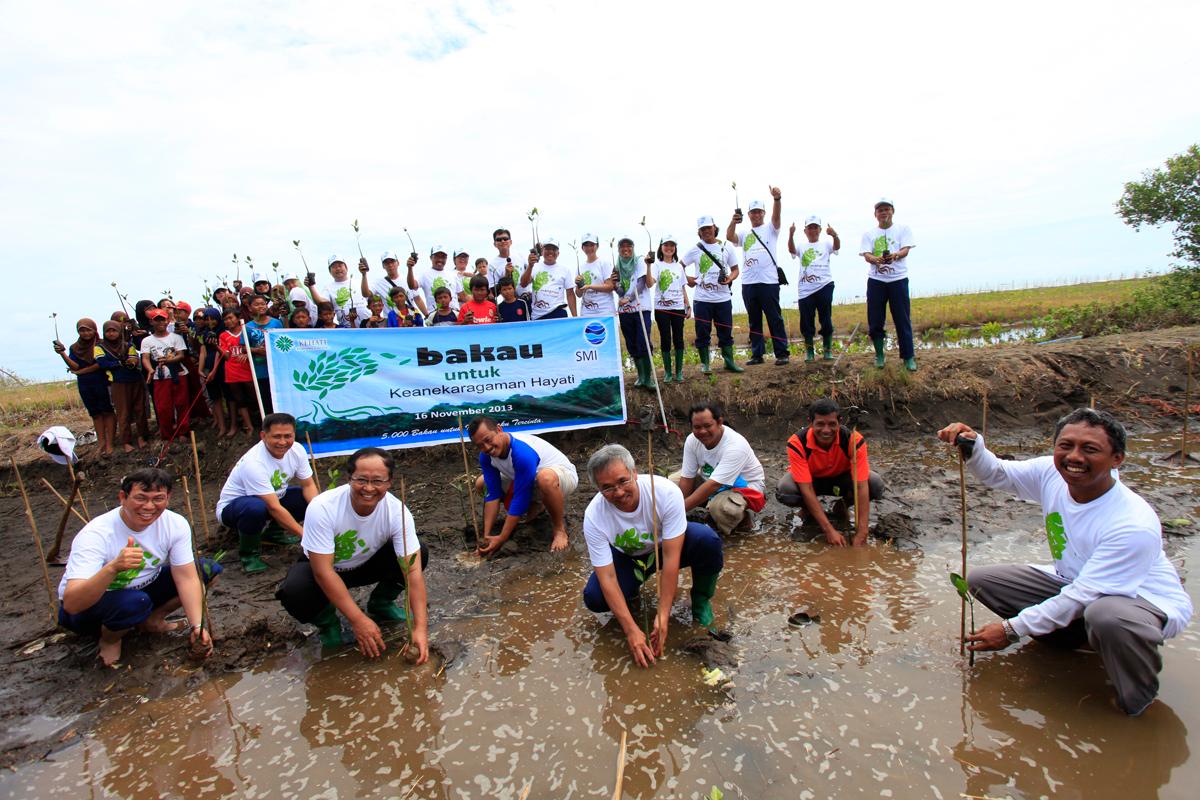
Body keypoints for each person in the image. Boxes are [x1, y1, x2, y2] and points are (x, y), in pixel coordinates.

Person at [937, 408, 1193, 716]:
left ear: (1117, 460)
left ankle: (1137, 703)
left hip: (1139, 600)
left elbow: (1086, 595)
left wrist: (1010, 629)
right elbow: (999, 474)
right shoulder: (1051, 473)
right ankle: (1073, 641)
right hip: (1074, 581)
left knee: (1106, 615)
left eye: (1090, 449)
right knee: (981, 582)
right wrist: (974, 446)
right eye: (1066, 445)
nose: (1074, 457)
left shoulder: (1132, 523)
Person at [276, 447, 430, 661]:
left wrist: (420, 628)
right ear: (349, 478)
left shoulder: (397, 512)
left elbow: (412, 572)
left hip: (366, 563)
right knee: (294, 591)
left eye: (377, 481)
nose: (368, 488)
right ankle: (329, 623)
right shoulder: (323, 507)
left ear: (389, 482)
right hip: (327, 569)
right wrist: (357, 620)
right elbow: (323, 572)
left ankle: (381, 603)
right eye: (361, 480)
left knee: (418, 552)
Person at [581, 444, 725, 666]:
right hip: (629, 557)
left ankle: (701, 602)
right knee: (595, 597)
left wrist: (664, 614)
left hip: (664, 547)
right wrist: (631, 630)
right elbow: (607, 577)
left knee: (707, 540)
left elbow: (670, 558)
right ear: (598, 489)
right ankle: (631, 596)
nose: (618, 492)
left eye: (623, 481)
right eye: (607, 488)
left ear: (634, 473)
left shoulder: (665, 492)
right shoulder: (593, 516)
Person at [58, 468, 219, 666]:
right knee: (134, 602)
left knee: (207, 569)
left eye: (158, 498)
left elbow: (186, 577)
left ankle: (151, 620)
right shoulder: (96, 534)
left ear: (168, 498)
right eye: (140, 498)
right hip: (88, 609)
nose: (149, 507)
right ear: (122, 498)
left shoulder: (175, 524)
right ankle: (110, 639)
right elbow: (72, 604)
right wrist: (113, 568)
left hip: (142, 590)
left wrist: (197, 625)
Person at [216, 412, 317, 573]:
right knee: (255, 508)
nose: (283, 442)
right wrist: (306, 536)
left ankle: (274, 533)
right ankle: (249, 554)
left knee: (302, 497)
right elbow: (273, 507)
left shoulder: (297, 450)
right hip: (236, 508)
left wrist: (319, 513)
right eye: (276, 437)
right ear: (263, 435)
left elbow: (308, 485)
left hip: (271, 500)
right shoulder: (254, 463)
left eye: (288, 436)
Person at [776, 399, 885, 546]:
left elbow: (861, 485)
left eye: (832, 424)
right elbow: (806, 488)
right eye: (820, 424)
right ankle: (808, 509)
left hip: (843, 478)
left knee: (875, 483)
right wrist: (829, 530)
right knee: (786, 490)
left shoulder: (853, 439)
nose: (826, 430)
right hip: (811, 481)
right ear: (810, 422)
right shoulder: (797, 442)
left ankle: (842, 505)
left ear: (840, 422)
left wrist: (862, 532)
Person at [469, 416, 579, 556]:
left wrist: (502, 538)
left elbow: (520, 498)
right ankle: (538, 505)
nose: (487, 448)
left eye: (488, 440)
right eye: (480, 445)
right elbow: (493, 495)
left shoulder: (521, 453)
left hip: (561, 476)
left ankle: (559, 530)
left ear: (498, 429)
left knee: (544, 479)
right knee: (481, 483)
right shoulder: (485, 456)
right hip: (528, 479)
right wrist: (486, 538)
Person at [672, 401, 766, 535]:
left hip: (743, 486)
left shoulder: (735, 445)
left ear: (719, 422)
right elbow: (687, 478)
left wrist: (677, 511)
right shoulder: (692, 440)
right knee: (669, 488)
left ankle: (743, 519)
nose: (702, 431)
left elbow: (713, 485)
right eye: (697, 427)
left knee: (723, 510)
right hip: (711, 478)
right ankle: (708, 508)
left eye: (707, 426)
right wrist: (676, 506)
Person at [727, 187, 789, 366]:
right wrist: (733, 222)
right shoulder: (745, 234)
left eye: (759, 212)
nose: (756, 215)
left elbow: (776, 218)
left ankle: (782, 353)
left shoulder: (771, 229)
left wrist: (777, 199)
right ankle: (757, 354)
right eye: (753, 212)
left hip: (768, 282)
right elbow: (729, 236)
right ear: (749, 215)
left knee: (774, 318)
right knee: (754, 320)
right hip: (749, 283)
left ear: (763, 213)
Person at [860, 198, 917, 371]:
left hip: (898, 280)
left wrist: (896, 256)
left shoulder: (903, 229)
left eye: (886, 209)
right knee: (875, 320)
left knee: (902, 319)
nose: (883, 212)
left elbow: (906, 249)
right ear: (875, 214)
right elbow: (866, 255)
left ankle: (908, 357)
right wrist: (875, 259)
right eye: (880, 210)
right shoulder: (869, 234)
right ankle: (879, 355)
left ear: (892, 211)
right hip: (876, 281)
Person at [683, 216, 742, 373]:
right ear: (699, 232)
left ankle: (729, 362)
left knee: (726, 331)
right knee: (702, 332)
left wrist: (730, 277)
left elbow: (735, 269)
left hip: (723, 298)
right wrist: (687, 279)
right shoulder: (695, 249)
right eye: (703, 229)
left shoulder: (727, 246)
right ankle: (705, 364)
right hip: (702, 299)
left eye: (709, 228)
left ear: (715, 228)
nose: (707, 231)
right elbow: (679, 266)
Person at [54, 318, 116, 456]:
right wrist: (62, 353)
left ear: (94, 330)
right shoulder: (75, 348)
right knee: (95, 413)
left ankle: (110, 443)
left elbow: (100, 364)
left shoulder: (102, 345)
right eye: (82, 330)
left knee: (107, 411)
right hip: (85, 384)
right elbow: (74, 365)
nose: (86, 333)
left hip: (102, 381)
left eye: (88, 329)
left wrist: (81, 372)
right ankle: (101, 442)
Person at [788, 216, 841, 361]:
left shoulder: (826, 244)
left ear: (820, 230)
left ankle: (827, 350)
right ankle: (810, 352)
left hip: (824, 285)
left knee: (826, 318)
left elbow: (837, 247)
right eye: (810, 228)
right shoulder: (801, 246)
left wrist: (834, 235)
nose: (812, 230)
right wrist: (791, 234)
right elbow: (791, 250)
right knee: (806, 321)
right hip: (805, 289)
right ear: (805, 231)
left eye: (815, 227)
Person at [96, 319, 150, 451]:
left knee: (140, 409)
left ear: (119, 331)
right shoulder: (99, 347)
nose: (111, 334)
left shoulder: (127, 345)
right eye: (108, 331)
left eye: (114, 330)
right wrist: (120, 363)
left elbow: (133, 359)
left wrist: (129, 362)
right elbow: (103, 363)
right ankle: (126, 441)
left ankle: (142, 437)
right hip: (118, 382)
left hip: (134, 379)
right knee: (123, 412)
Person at [140, 308, 190, 443]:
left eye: (162, 319)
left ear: (167, 320)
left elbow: (181, 355)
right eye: (157, 320)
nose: (160, 322)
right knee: (163, 408)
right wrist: (150, 370)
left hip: (178, 373)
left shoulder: (176, 337)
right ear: (151, 322)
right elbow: (145, 358)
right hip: (160, 376)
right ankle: (167, 434)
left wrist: (168, 360)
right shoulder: (147, 341)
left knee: (181, 404)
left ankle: (182, 432)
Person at [613, 237, 656, 388]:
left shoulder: (640, 261)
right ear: (618, 250)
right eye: (622, 247)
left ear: (633, 247)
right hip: (625, 312)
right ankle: (640, 376)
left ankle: (648, 378)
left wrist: (628, 298)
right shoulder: (617, 265)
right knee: (631, 343)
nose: (625, 249)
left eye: (628, 246)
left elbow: (642, 283)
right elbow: (619, 290)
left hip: (641, 308)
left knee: (643, 341)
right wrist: (615, 285)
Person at [651, 234, 690, 384]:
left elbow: (682, 287)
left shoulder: (679, 266)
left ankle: (678, 372)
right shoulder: (657, 265)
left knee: (679, 338)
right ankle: (668, 372)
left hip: (678, 307)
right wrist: (648, 266)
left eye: (672, 245)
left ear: (675, 248)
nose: (669, 248)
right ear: (661, 248)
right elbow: (651, 282)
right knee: (665, 338)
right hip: (662, 308)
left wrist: (687, 305)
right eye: (666, 245)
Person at [218, 310, 256, 438]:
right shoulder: (223, 335)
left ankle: (259, 422)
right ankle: (249, 426)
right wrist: (216, 346)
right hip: (232, 371)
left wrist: (247, 353)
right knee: (239, 399)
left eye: (230, 318)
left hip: (248, 369)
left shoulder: (247, 330)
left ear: (238, 318)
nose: (228, 321)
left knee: (253, 395)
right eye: (225, 319)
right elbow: (227, 356)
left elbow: (255, 346)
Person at [361, 251, 429, 319]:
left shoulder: (408, 279)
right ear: (383, 266)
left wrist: (427, 316)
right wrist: (364, 275)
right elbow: (366, 294)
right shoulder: (378, 283)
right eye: (386, 263)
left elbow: (417, 299)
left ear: (398, 263)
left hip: (410, 320)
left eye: (392, 262)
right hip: (391, 323)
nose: (390, 265)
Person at [521, 237, 577, 320]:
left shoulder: (565, 270)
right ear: (542, 251)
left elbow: (570, 294)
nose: (550, 251)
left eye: (554, 249)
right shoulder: (534, 266)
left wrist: (575, 317)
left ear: (558, 253)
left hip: (558, 313)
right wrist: (530, 266)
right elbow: (523, 284)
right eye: (547, 249)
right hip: (538, 316)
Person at [244, 294, 282, 415]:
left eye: (263, 303)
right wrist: (256, 350)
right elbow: (243, 348)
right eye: (256, 304)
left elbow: (284, 342)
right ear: (249, 308)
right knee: (265, 400)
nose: (261, 306)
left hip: (276, 369)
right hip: (260, 371)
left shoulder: (277, 323)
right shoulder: (247, 327)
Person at [195, 308, 228, 438]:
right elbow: (203, 352)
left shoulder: (223, 332)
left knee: (229, 396)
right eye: (207, 319)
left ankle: (232, 424)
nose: (210, 322)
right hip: (209, 368)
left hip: (222, 366)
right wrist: (200, 369)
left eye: (212, 318)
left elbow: (220, 354)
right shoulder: (204, 333)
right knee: (215, 398)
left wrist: (214, 370)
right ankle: (221, 426)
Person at [310, 255, 366, 327]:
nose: (338, 268)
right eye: (334, 267)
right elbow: (320, 302)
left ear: (346, 268)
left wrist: (364, 274)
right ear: (330, 271)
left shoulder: (359, 282)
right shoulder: (328, 288)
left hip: (368, 327)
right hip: (346, 329)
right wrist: (311, 286)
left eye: (340, 265)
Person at [574, 233, 617, 318]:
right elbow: (578, 294)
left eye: (592, 245)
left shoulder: (604, 263)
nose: (589, 248)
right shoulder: (580, 267)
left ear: (597, 246)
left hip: (605, 310)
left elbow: (610, 286)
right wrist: (579, 285)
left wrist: (589, 286)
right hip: (587, 312)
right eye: (586, 245)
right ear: (582, 248)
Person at [408, 245, 459, 314]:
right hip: (435, 319)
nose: (440, 260)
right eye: (437, 257)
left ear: (446, 258)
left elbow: (463, 296)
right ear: (431, 258)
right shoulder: (424, 275)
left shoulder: (453, 275)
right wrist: (410, 268)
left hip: (455, 318)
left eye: (443, 257)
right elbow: (412, 286)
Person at [487, 228, 521, 295]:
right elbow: (494, 292)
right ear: (495, 244)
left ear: (510, 242)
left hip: (527, 299)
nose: (502, 241)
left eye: (505, 239)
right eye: (499, 240)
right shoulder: (492, 265)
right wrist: (506, 275)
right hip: (509, 302)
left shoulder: (520, 256)